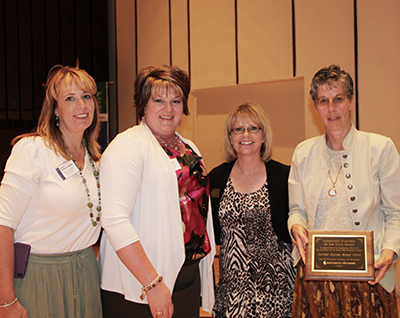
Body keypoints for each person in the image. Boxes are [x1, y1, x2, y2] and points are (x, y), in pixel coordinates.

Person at [99, 65, 216, 318]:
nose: (168, 109)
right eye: (159, 100)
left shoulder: (188, 147)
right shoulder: (127, 147)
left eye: (176, 101)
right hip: (141, 282)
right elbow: (114, 221)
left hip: (185, 275)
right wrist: (152, 283)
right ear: (143, 105)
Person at [288, 64, 400, 317]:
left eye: (338, 99)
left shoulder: (380, 148)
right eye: (323, 101)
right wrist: (296, 227)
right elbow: (296, 211)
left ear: (351, 101)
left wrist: (389, 252)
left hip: (370, 276)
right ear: (314, 106)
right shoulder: (303, 153)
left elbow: (396, 213)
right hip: (315, 280)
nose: (331, 108)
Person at [0, 65, 103, 318]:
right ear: (55, 109)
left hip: (86, 272)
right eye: (70, 98)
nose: (82, 105)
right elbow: (3, 226)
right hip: (39, 276)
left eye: (87, 96)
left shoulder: (95, 158)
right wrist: (6, 301)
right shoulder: (33, 150)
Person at [209, 102, 295, 317]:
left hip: (277, 289)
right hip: (233, 291)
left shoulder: (284, 176)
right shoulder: (216, 178)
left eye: (253, 128)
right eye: (238, 129)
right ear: (230, 138)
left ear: (263, 135)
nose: (245, 134)